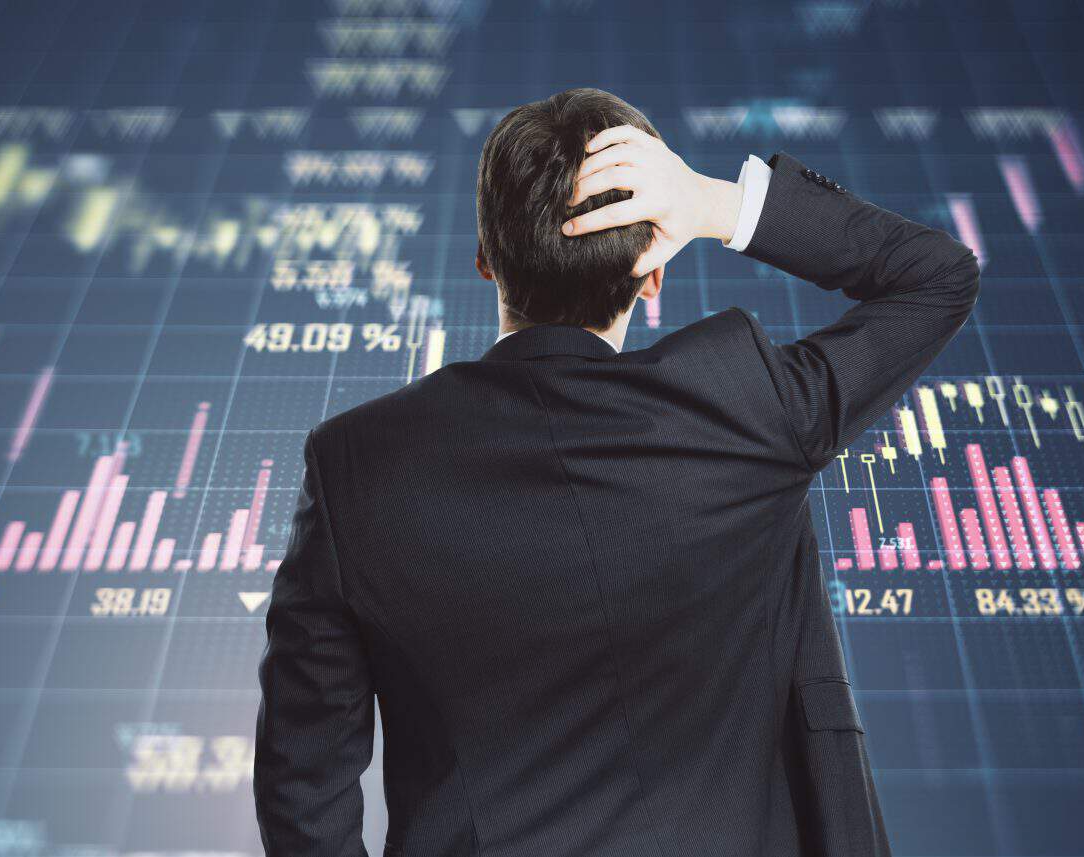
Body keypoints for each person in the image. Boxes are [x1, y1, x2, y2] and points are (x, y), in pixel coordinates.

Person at [254, 87, 979, 857]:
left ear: (485, 260)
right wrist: (710, 204)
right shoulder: (746, 406)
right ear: (654, 271)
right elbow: (937, 277)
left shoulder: (356, 464)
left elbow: (303, 785)